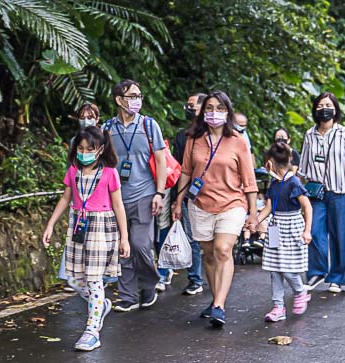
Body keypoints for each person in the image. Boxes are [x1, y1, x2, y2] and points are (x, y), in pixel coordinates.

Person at [172, 90, 258, 327]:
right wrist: (178, 202)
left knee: (222, 249)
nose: (213, 113)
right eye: (209, 108)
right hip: (199, 204)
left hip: (232, 204)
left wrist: (253, 213)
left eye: (220, 108)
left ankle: (219, 304)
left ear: (228, 112)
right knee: (208, 254)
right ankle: (215, 299)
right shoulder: (193, 139)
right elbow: (186, 172)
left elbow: (249, 180)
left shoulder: (238, 141)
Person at [42, 125, 130, 352]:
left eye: (89, 148)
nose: (84, 152)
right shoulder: (73, 171)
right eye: (80, 148)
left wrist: (124, 237)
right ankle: (101, 304)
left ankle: (92, 330)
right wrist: (51, 224)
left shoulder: (110, 172)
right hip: (79, 225)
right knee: (74, 279)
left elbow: (118, 204)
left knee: (93, 279)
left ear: (100, 149)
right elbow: (65, 198)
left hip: (102, 226)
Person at [101, 80, 168, 311]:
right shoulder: (107, 128)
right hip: (116, 197)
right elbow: (103, 163)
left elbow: (161, 161)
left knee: (140, 244)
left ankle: (150, 283)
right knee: (123, 247)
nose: (137, 100)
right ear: (119, 100)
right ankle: (128, 296)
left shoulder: (149, 126)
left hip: (145, 194)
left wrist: (159, 193)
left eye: (139, 95)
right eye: (132, 95)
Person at [299, 92, 345, 294]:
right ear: (315, 110)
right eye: (320, 106)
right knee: (313, 231)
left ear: (336, 109)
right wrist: (292, 187)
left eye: (328, 105)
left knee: (341, 236)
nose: (324, 109)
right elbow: (303, 166)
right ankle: (317, 272)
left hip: (341, 192)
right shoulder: (309, 134)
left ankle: (338, 278)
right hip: (315, 193)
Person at [256, 142, 313, 321]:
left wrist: (307, 231)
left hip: (292, 225)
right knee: (274, 269)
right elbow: (270, 206)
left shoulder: (293, 182)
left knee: (288, 269)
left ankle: (300, 290)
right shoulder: (274, 183)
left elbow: (307, 206)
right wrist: (256, 220)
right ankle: (278, 307)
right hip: (276, 226)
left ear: (270, 162)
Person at [59, 103, 103, 290]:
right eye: (83, 116)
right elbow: (71, 166)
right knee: (76, 232)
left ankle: (97, 276)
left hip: (98, 196)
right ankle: (73, 275)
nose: (86, 119)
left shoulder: (104, 139)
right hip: (79, 193)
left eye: (90, 115)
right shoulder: (74, 141)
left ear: (97, 118)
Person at [171, 93, 207, 295]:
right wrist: (177, 199)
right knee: (192, 237)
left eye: (192, 105)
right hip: (188, 195)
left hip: (211, 195)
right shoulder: (182, 136)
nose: (188, 108)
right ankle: (195, 279)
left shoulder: (214, 135)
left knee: (211, 240)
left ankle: (215, 276)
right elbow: (179, 170)